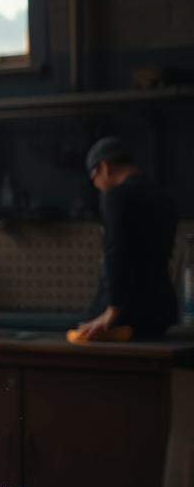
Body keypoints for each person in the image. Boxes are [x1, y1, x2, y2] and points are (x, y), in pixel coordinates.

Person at [72, 136, 178, 341]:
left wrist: (113, 309)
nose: (96, 185)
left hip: (124, 313)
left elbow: (116, 251)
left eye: (94, 177)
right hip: (161, 311)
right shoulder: (164, 198)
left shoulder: (116, 195)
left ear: (104, 167)